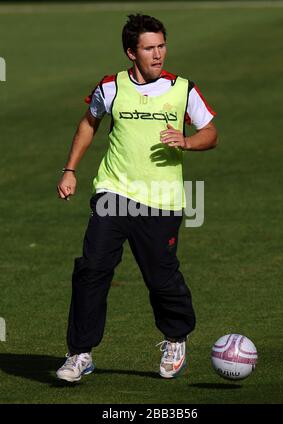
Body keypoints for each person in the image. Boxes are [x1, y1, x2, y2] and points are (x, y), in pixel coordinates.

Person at [56, 14, 217, 383]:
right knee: (92, 270)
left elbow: (210, 131)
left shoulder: (183, 88)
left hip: (162, 200)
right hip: (113, 193)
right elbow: (88, 122)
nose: (158, 54)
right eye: (149, 48)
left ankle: (176, 336)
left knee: (160, 278)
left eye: (161, 46)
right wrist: (70, 170)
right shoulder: (111, 87)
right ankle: (80, 353)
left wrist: (188, 141)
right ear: (132, 52)